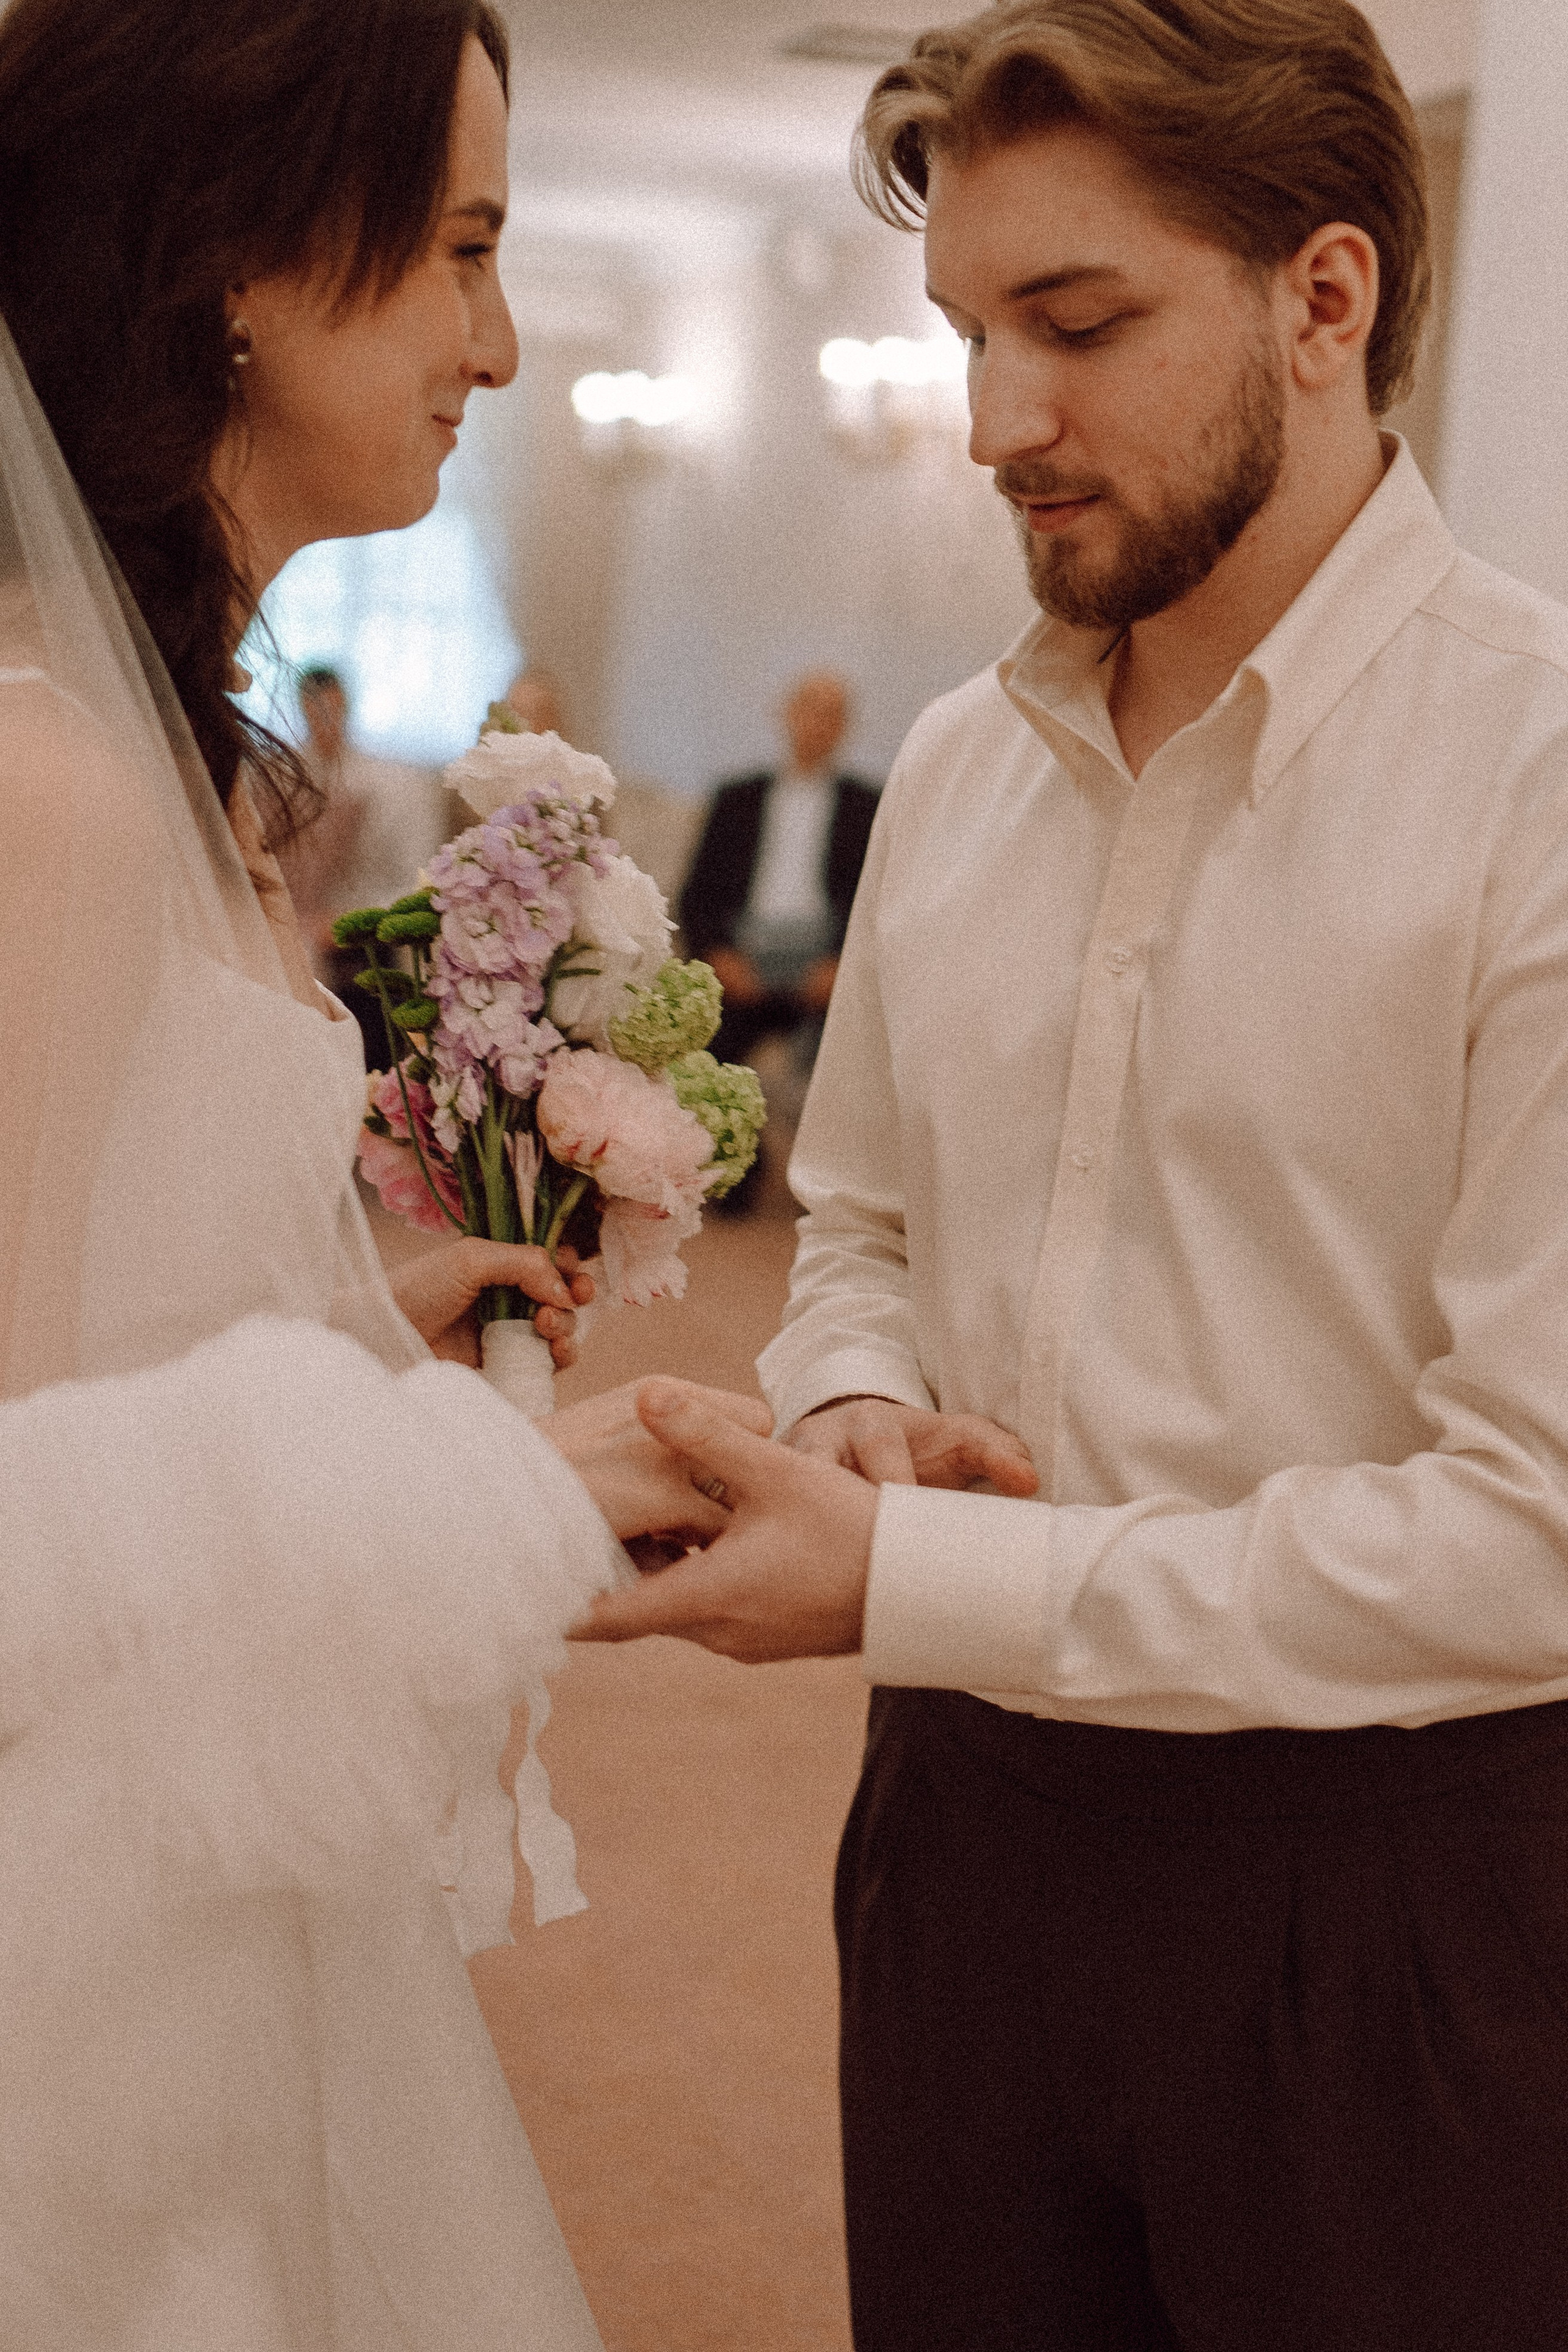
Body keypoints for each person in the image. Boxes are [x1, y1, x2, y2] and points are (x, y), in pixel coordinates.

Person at [581, 3, 1568, 2346]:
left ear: (1322, 300)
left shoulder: (1534, 772)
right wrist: (842, 1415)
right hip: (952, 1860)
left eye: (1078, 325)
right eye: (962, 333)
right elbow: (865, 1231)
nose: (991, 424)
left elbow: (1537, 1529)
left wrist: (925, 1576)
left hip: (1389, 1891)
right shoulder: (954, 763)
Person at [0, 2, 766, 2342]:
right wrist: (490, 1498)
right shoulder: (51, 788)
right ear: (235, 258)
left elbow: (104, 1317)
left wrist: (360, 1331)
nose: (501, 343)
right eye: (454, 252)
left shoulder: (186, 771)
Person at [679, 671, 879, 1211]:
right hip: (745, 954)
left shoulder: (869, 806)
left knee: (854, 1057)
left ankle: (831, 1186)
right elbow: (695, 896)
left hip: (824, 962)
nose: (819, 723)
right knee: (707, 1051)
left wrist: (843, 963)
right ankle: (740, 1170)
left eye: (833, 713)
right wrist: (720, 956)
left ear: (845, 728)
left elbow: (881, 905)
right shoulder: (736, 797)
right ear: (787, 715)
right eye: (810, 708)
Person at [284, 661, 450, 1064]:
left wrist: (342, 921)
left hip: (364, 939)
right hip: (296, 927)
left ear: (346, 708)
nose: (324, 722)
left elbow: (413, 880)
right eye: (314, 711)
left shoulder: (387, 783)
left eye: (333, 710)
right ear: (302, 710)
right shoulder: (284, 775)